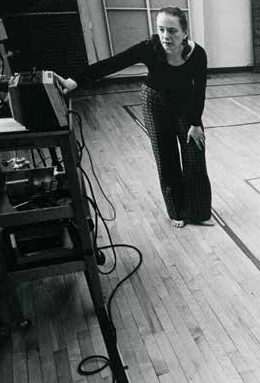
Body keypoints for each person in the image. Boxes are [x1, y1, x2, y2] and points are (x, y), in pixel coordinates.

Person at [55, 7, 212, 228]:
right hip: (154, 102)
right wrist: (76, 81)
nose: (166, 36)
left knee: (195, 156)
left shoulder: (198, 54)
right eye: (161, 30)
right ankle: (177, 210)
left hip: (186, 104)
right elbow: (113, 63)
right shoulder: (150, 47)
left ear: (185, 32)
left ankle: (198, 212)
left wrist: (196, 123)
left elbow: (199, 90)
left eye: (173, 31)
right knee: (166, 158)